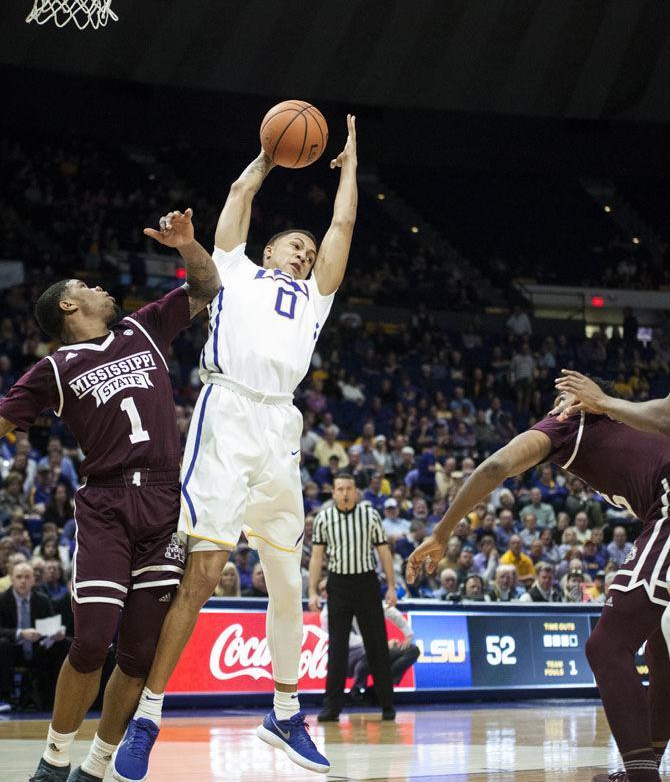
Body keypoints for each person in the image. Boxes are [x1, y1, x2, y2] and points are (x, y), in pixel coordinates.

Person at [114, 116, 358, 781]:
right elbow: (239, 197)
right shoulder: (236, 269)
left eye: (307, 252)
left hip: (280, 428)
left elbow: (340, 232)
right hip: (227, 414)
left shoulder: (314, 299)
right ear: (270, 251)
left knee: (287, 582)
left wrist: (352, 167)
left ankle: (285, 712)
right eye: (294, 246)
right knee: (203, 571)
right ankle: (147, 718)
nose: (304, 254)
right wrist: (270, 154)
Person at [0, 208, 219, 782]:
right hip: (106, 503)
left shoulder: (141, 329)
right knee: (93, 638)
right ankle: (53, 758)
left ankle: (95, 765)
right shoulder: (55, 367)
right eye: (87, 286)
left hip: (166, 503)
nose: (100, 287)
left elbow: (207, 284)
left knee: (140, 653)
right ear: (69, 306)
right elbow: (5, 419)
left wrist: (190, 245)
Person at [406, 385, 670, 782]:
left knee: (607, 646)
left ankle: (643, 775)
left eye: (563, 398)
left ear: (580, 401)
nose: (555, 406)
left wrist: (442, 532)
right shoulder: (633, 419)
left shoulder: (565, 424)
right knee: (661, 647)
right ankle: (646, 762)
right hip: (656, 509)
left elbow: (496, 467)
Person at [308, 474, 397, 722]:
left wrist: (391, 586)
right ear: (334, 492)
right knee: (337, 647)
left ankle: (387, 704)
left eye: (349, 488)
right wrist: (312, 591)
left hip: (366, 583)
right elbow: (316, 557)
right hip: (339, 584)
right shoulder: (324, 519)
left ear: (356, 491)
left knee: (377, 645)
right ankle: (332, 707)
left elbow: (383, 551)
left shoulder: (370, 515)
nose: (345, 493)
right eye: (340, 489)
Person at [0, 562, 69, 713]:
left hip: (39, 648)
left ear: (33, 580)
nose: (23, 581)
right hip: (13, 650)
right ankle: (5, 697)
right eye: (19, 577)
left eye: (27, 577)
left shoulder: (42, 600)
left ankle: (56, 696)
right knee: (2, 644)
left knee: (64, 643)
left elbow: (53, 623)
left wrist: (57, 634)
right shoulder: (2, 600)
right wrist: (20, 633)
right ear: (12, 579)